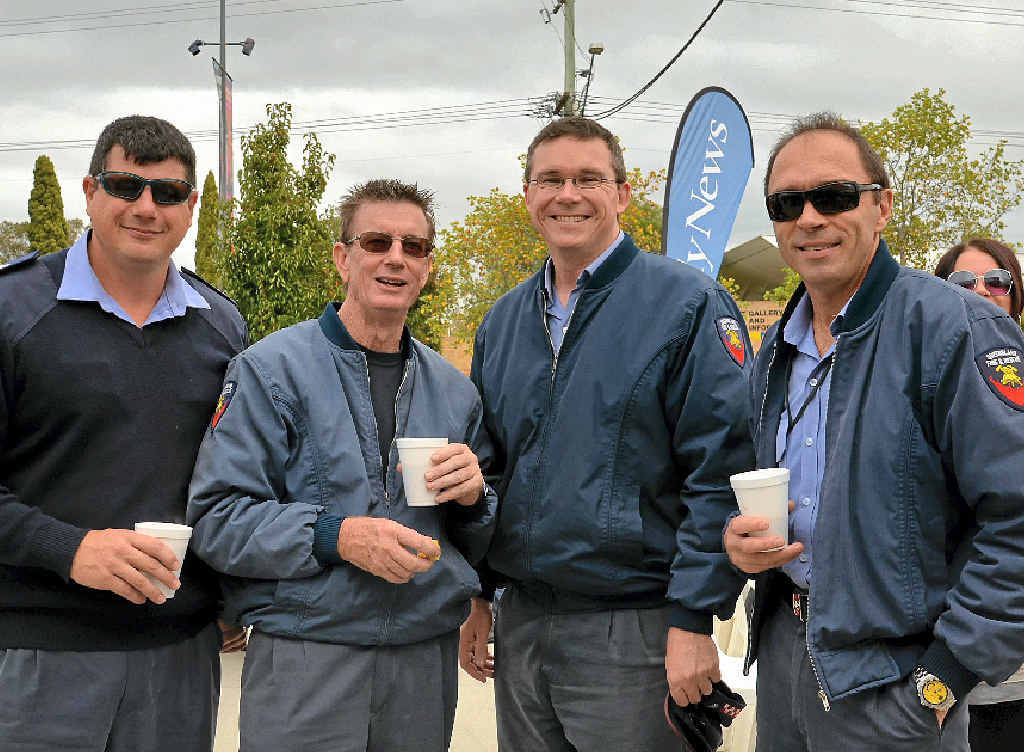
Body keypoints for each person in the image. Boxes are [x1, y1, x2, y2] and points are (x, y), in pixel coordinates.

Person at [724, 113, 1023, 752]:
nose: (808, 217)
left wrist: (940, 684)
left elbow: (1017, 520)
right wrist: (742, 544)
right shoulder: (777, 349)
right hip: (786, 659)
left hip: (895, 686)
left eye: (832, 197)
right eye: (786, 203)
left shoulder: (954, 328)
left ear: (882, 205)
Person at [460, 117, 755, 751]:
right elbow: (489, 472)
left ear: (622, 194)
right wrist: (479, 593)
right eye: (552, 180)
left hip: (636, 631)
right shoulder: (504, 321)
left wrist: (692, 619)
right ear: (529, 196)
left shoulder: (687, 305)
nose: (569, 194)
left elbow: (722, 473)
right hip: (523, 626)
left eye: (589, 179)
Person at [186, 178, 498, 752]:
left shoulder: (456, 394)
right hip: (308, 658)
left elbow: (477, 541)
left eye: (415, 247)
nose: (395, 258)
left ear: (428, 267)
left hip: (420, 666)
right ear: (342, 258)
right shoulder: (270, 371)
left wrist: (476, 500)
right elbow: (217, 519)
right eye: (377, 242)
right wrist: (337, 535)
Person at [0, 115, 248, 751]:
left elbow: (235, 483)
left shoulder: (222, 329)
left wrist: (230, 595)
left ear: (191, 207)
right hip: (38, 655)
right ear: (90, 191)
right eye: (124, 186)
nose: (146, 207)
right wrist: (68, 548)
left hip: (181, 657)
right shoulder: (13, 311)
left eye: (167, 193)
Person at [934, 238, 1024, 751]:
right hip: (944, 650)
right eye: (963, 283)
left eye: (996, 282)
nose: (981, 293)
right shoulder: (919, 388)